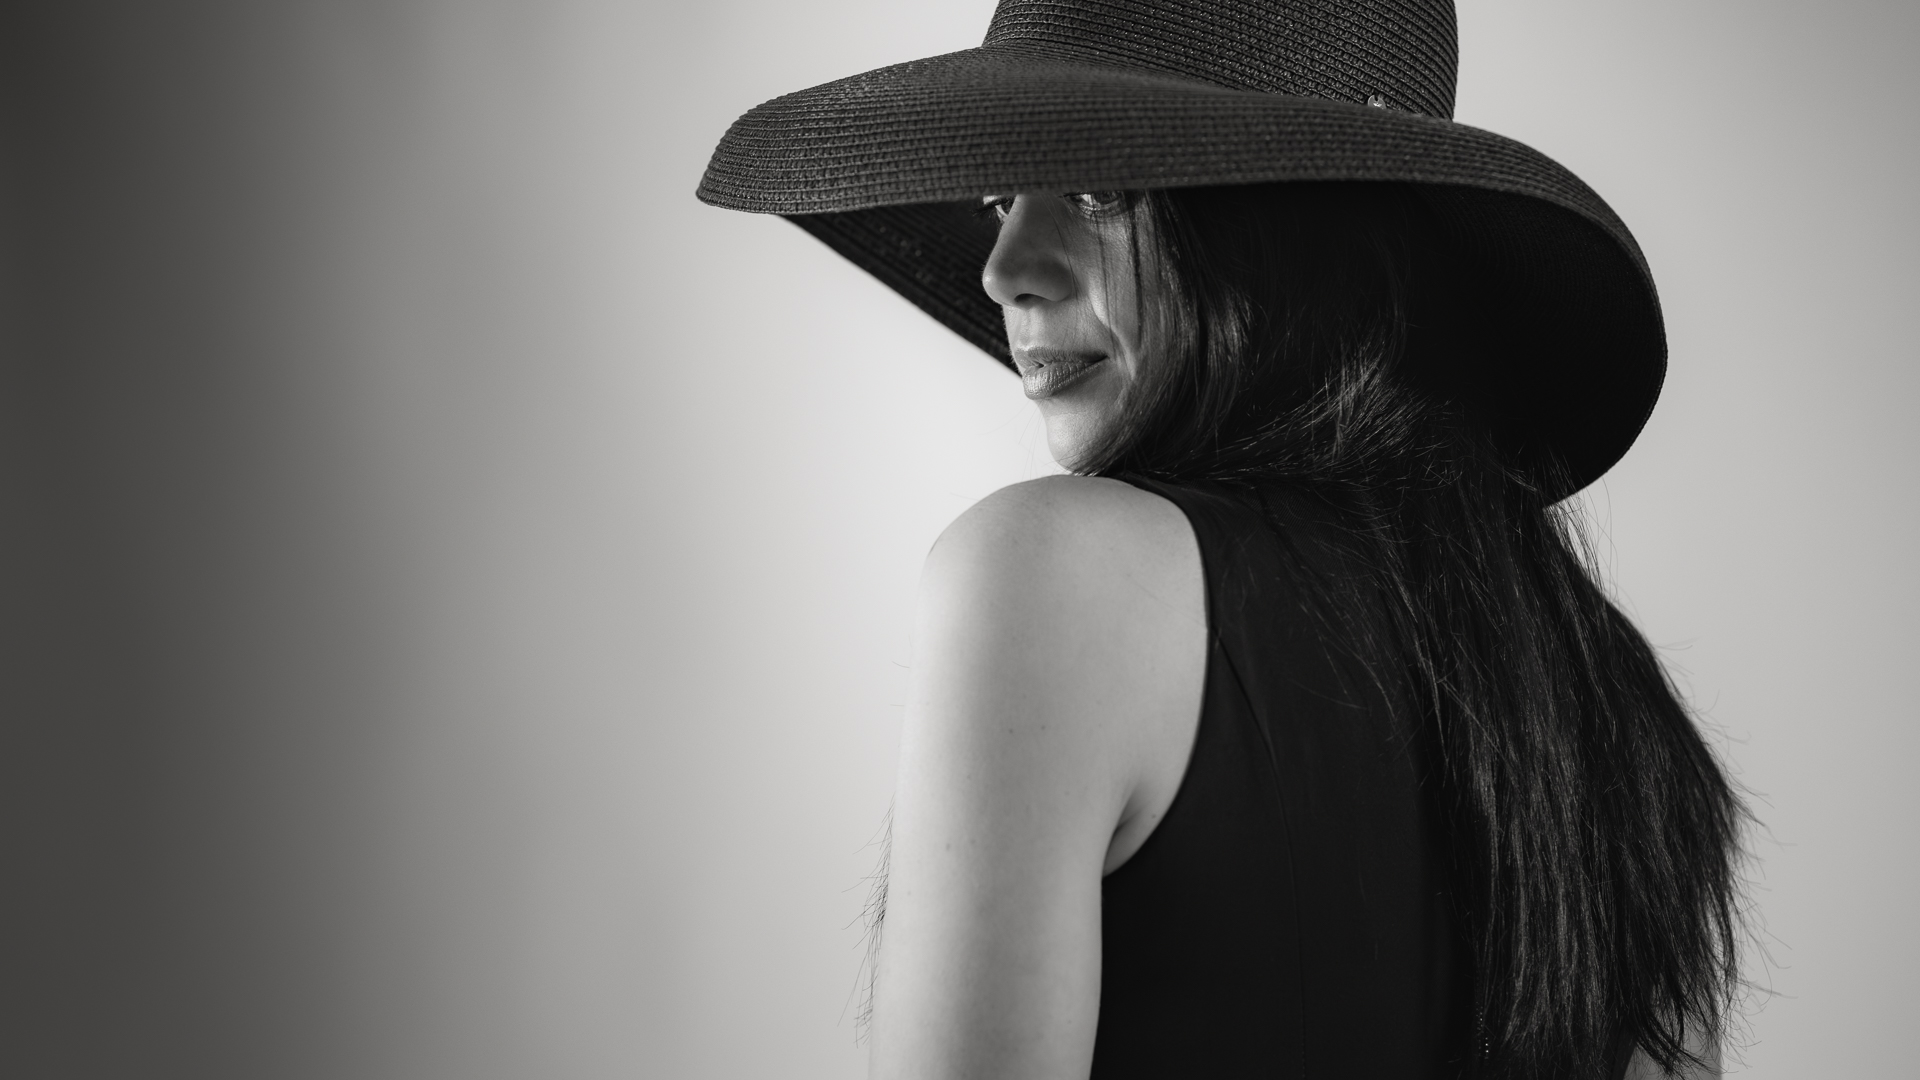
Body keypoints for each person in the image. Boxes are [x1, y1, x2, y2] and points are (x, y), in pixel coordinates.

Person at [700, 2, 1744, 1078]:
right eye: (1002, 197)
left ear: (1297, 219)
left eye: (1099, 190)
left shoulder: (1052, 576)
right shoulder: (1615, 707)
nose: (1005, 268)